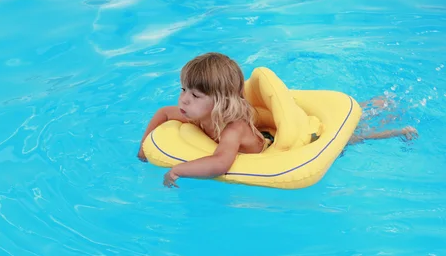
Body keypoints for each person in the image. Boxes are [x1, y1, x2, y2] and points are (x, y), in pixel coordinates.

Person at [137, 52, 418, 188]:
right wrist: (143, 147)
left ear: (221, 102)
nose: (183, 100)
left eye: (195, 95)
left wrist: (178, 170)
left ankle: (391, 125)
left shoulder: (232, 128)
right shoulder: (193, 115)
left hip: (281, 145)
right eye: (183, 90)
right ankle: (374, 107)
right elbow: (162, 113)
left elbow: (221, 162)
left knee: (351, 140)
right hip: (261, 131)